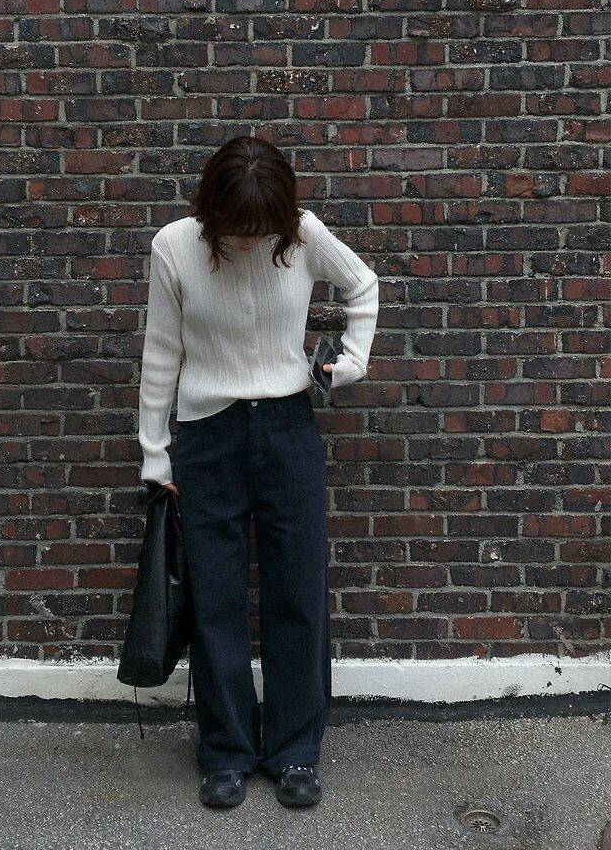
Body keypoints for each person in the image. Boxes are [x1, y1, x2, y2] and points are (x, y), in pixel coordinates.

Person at [138, 135, 380, 808]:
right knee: (214, 598)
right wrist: (155, 453)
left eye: (260, 229)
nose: (249, 241)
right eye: (236, 229)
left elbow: (363, 285)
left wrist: (349, 363)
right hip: (206, 437)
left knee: (297, 592)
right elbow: (161, 351)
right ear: (211, 211)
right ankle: (226, 750)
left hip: (286, 429)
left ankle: (297, 750)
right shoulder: (174, 246)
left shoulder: (301, 233)